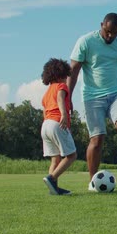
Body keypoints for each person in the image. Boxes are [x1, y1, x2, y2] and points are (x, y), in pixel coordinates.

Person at [67, 12, 117, 191]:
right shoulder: (85, 41)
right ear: (101, 25)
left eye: (114, 33)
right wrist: (67, 98)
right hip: (92, 96)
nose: (110, 36)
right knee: (97, 138)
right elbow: (74, 71)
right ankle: (93, 181)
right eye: (107, 31)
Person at [40, 58, 77, 195]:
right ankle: (52, 178)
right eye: (65, 75)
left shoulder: (46, 93)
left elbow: (44, 110)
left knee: (55, 159)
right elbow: (61, 99)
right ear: (60, 74)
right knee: (71, 155)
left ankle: (53, 188)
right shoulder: (61, 87)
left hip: (46, 125)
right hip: (57, 122)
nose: (66, 78)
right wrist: (64, 115)